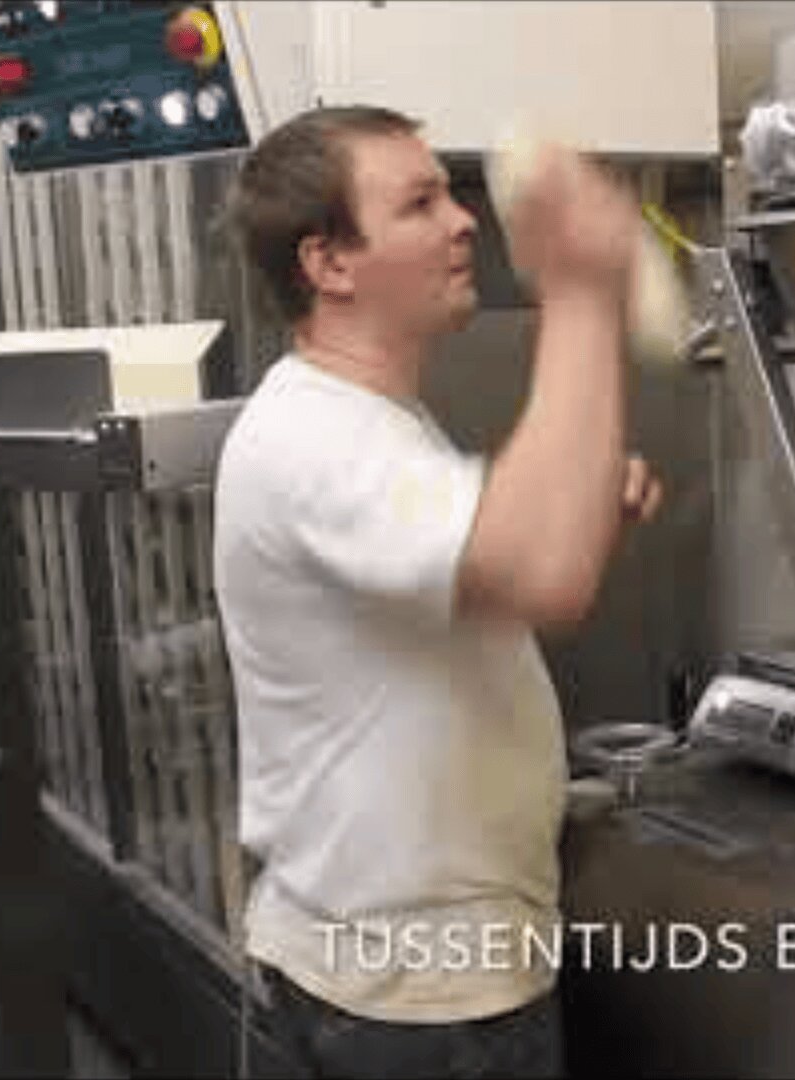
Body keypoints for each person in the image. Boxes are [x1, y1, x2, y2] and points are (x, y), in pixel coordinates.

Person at [212, 104, 664, 1080]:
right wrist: (583, 288)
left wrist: (578, 506)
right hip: (412, 1003)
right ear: (329, 263)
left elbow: (486, 579)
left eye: (451, 193)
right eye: (419, 203)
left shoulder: (371, 423)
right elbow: (544, 573)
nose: (464, 220)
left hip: (405, 977)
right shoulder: (316, 440)